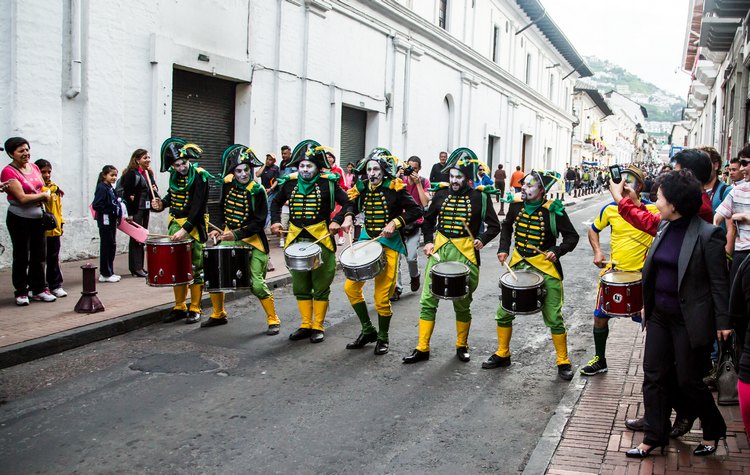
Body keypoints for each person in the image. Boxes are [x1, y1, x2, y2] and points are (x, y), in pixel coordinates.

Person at [625, 170, 730, 459]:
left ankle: (713, 427)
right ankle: (654, 436)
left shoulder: (709, 235)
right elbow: (654, 270)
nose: (655, 202)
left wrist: (723, 321)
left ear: (674, 204)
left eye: (658, 197)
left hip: (690, 319)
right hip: (660, 315)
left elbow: (719, 282)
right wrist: (647, 302)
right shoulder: (663, 227)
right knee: (654, 376)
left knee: (688, 381)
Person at [402, 148, 501, 364]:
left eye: (459, 177)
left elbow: (495, 226)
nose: (454, 181)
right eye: (452, 176)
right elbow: (428, 220)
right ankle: (422, 347)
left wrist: (482, 239)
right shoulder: (441, 194)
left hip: (466, 253)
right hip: (440, 251)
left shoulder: (480, 198)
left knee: (463, 301)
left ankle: (461, 345)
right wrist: (428, 241)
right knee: (428, 300)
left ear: (467, 178)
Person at [484, 170, 580, 380]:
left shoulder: (553, 210)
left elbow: (572, 237)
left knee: (554, 316)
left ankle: (563, 360)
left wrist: (557, 251)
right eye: (523, 185)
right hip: (518, 263)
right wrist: (503, 248)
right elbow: (507, 226)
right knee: (504, 311)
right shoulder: (517, 204)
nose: (523, 189)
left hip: (545, 267)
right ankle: (503, 353)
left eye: (529, 186)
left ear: (541, 190)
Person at [343, 148, 422, 355]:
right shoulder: (361, 187)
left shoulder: (395, 188)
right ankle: (368, 330)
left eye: (376, 169)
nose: (372, 173)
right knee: (351, 288)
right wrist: (349, 215)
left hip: (389, 245)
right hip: (366, 241)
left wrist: (395, 223)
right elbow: (350, 202)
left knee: (381, 298)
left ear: (384, 170)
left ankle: (383, 337)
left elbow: (416, 210)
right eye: (369, 169)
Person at [270, 139, 350, 343]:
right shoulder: (289, 183)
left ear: (317, 167)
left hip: (321, 239)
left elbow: (348, 202)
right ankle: (306, 324)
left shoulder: (328, 183)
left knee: (321, 282)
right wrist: (277, 222)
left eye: (309, 166)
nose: (305, 169)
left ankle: (318, 325)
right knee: (300, 283)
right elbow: (276, 202)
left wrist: (338, 220)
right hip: (295, 239)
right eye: (302, 166)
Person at [580, 166, 657, 376]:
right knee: (599, 317)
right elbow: (593, 230)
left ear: (639, 186)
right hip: (615, 273)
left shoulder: (653, 211)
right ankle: (600, 359)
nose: (621, 185)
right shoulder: (610, 209)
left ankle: (656, 365)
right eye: (619, 180)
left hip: (644, 276)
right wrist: (597, 252)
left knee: (653, 322)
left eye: (628, 181)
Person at [202, 145, 281, 335]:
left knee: (256, 283)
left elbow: (259, 221)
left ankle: (273, 319)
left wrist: (236, 234)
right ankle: (218, 313)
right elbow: (221, 210)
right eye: (239, 170)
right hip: (230, 236)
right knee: (214, 272)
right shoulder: (227, 184)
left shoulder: (258, 190)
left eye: (247, 169)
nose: (244, 174)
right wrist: (218, 229)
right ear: (233, 172)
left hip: (254, 241)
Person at [151, 138, 211, 325]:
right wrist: (160, 204)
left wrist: (185, 229)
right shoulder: (175, 176)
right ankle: (179, 306)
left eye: (183, 163)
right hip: (175, 225)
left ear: (188, 160)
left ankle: (195, 307)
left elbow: (198, 206)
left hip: (193, 226)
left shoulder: (200, 176)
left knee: (195, 267)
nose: (181, 167)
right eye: (177, 165)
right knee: (177, 266)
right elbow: (173, 195)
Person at [1, 137, 56, 305]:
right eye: (20, 151)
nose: (25, 153)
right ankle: (21, 291)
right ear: (11, 154)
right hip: (19, 219)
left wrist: (43, 194)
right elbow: (22, 198)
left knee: (40, 255)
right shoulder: (9, 172)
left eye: (27, 149)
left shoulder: (33, 167)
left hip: (38, 217)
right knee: (22, 255)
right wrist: (44, 196)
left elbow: (40, 185)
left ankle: (39, 289)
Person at [715, 150, 750, 350]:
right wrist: (713, 229)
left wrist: (744, 218)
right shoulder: (737, 190)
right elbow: (720, 214)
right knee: (736, 310)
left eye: (746, 163)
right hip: (741, 254)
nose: (742, 168)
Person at [392, 155, 430, 301]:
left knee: (411, 257)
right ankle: (397, 288)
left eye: (414, 169)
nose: (411, 171)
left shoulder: (424, 181)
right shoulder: (399, 181)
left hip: (415, 224)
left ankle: (415, 276)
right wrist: (397, 178)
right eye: (408, 168)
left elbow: (425, 202)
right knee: (396, 259)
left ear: (419, 169)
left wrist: (418, 184)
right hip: (398, 224)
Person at [120, 149, 158, 278]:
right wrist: (130, 213)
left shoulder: (148, 173)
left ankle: (140, 266)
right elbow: (127, 194)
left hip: (145, 208)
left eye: (148, 157)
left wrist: (154, 188)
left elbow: (152, 188)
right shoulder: (132, 174)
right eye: (144, 158)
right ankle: (136, 268)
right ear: (137, 160)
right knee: (136, 237)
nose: (148, 160)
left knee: (143, 237)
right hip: (137, 209)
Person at [35, 159, 67, 298]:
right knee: (40, 259)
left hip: (55, 228)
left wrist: (61, 223)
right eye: (43, 172)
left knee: (54, 258)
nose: (47, 175)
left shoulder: (54, 188)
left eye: (49, 172)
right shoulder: (39, 189)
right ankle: (39, 286)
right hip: (43, 229)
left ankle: (55, 284)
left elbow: (58, 209)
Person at [91, 165, 122, 283]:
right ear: (104, 175)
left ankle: (110, 271)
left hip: (112, 220)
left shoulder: (109, 188)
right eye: (111, 175)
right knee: (106, 245)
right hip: (105, 221)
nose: (114, 178)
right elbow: (97, 204)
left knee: (111, 245)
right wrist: (111, 209)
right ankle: (105, 273)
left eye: (115, 175)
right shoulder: (102, 188)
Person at [326, 151, 349, 245]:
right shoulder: (323, 170)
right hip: (327, 198)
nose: (328, 159)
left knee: (337, 216)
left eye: (330, 157)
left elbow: (344, 184)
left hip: (338, 198)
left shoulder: (338, 169)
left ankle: (341, 237)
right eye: (326, 157)